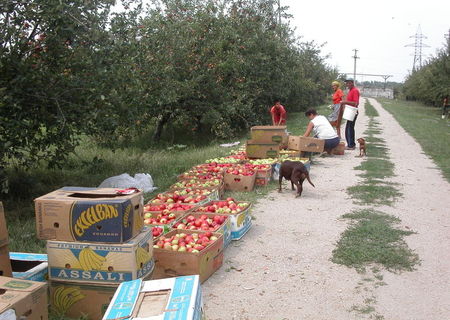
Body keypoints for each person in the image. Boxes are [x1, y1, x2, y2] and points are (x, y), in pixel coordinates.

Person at [340, 79, 360, 150]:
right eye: (346, 83)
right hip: (350, 111)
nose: (347, 85)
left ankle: (351, 145)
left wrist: (344, 102)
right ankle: (350, 144)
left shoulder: (355, 90)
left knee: (350, 128)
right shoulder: (351, 90)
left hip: (353, 111)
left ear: (352, 83)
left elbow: (355, 103)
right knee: (348, 127)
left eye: (348, 83)